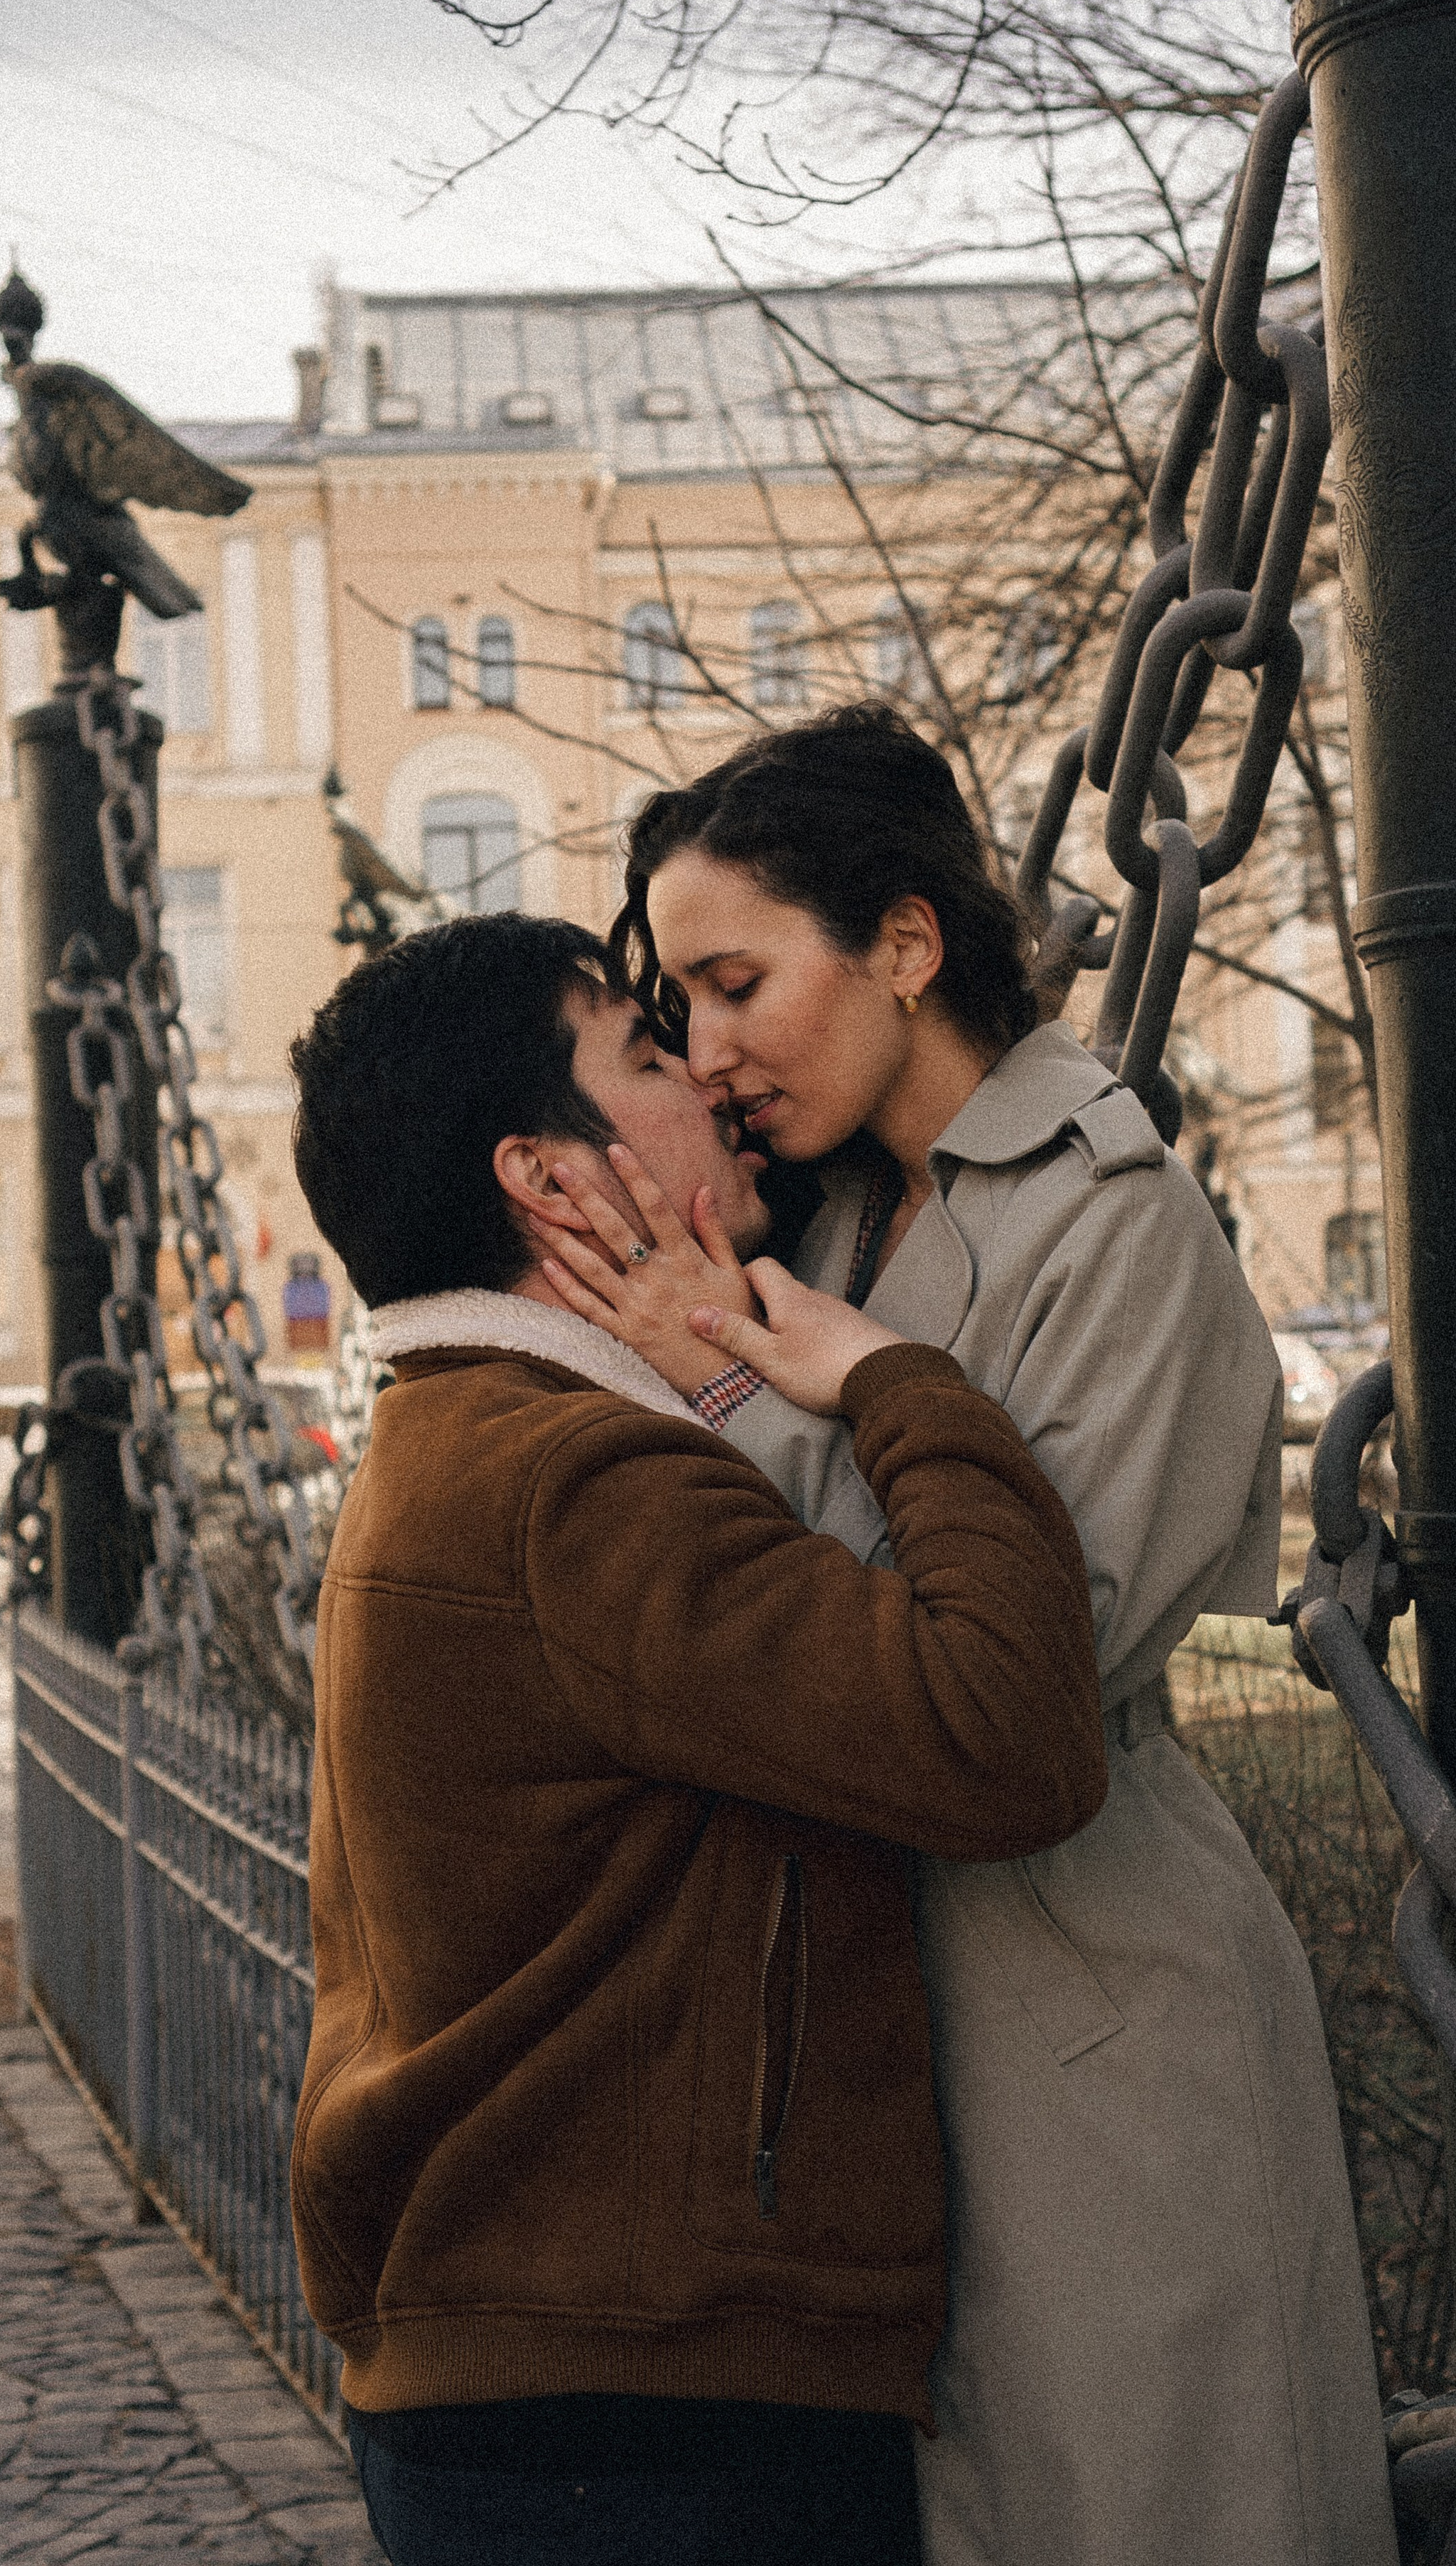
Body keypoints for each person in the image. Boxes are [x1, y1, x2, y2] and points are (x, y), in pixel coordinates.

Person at [536, 707, 1398, 2566]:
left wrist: (726, 1387)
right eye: (675, 1000)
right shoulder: (827, 1222)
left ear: (907, 947)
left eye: (738, 980)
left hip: (1088, 2002)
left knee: (1148, 2510)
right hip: (873, 2027)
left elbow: (1011, 1667)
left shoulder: (1122, 1222)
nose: (705, 1046)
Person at [285, 910, 1108, 2566]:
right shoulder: (574, 1486)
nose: (712, 1088)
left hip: (551, 2386)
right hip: (646, 2419)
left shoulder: (459, 1444)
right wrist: (888, 1377)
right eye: (648, 1055)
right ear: (551, 1179)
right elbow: (1003, 1733)